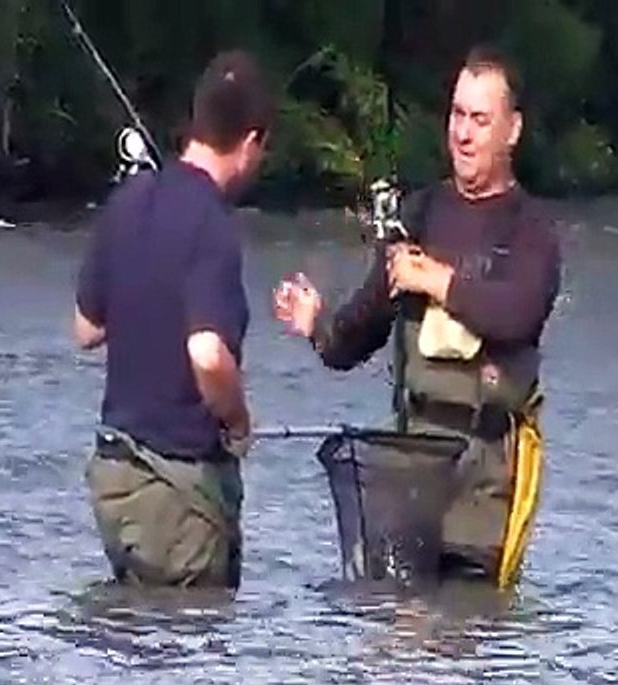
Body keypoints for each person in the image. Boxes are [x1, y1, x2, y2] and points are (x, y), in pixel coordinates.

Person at [274, 44, 562, 586]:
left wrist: (436, 280)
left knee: (466, 641)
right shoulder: (421, 215)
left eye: (480, 119)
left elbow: (518, 314)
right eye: (457, 115)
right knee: (396, 649)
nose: (464, 133)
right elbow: (356, 333)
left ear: (512, 129)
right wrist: (315, 325)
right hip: (412, 469)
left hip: (486, 483)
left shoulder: (531, 230)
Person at [73, 50, 275, 590]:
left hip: (114, 483)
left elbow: (86, 329)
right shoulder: (212, 226)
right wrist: (237, 419)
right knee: (193, 659)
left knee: (133, 647)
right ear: (252, 141)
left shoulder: (128, 201)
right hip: (177, 494)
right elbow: (208, 354)